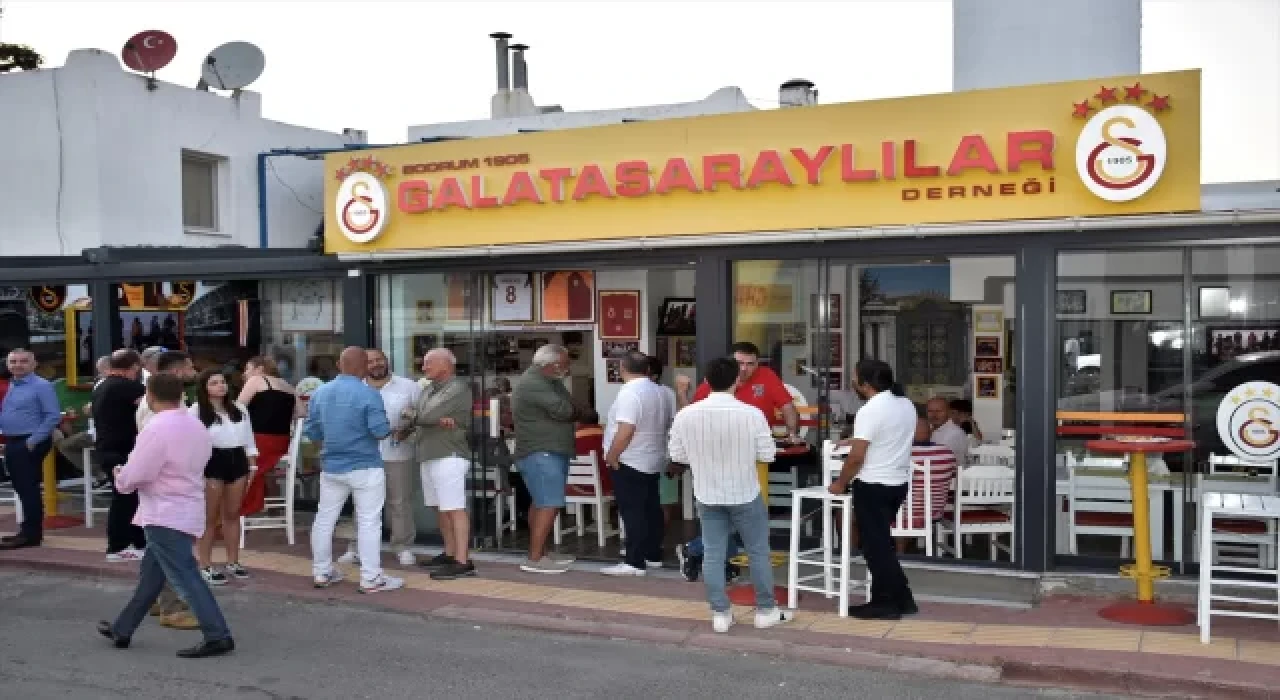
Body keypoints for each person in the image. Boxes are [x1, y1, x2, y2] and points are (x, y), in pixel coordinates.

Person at [97, 373, 235, 659]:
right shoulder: (194, 424)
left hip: (164, 512)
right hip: (186, 507)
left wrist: (120, 476)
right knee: (152, 576)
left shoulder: (156, 428)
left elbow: (138, 473)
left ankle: (217, 634)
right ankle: (123, 629)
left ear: (149, 395)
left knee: (185, 576)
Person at [668, 357, 790, 633]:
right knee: (758, 552)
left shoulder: (686, 415)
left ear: (707, 382)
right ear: (737, 380)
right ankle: (766, 611)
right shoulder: (752, 414)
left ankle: (720, 614)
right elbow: (767, 454)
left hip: (708, 494)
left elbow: (677, 455)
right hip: (745, 493)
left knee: (713, 554)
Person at [675, 341, 798, 581]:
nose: (744, 369)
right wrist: (681, 394)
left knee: (738, 513)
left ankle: (703, 554)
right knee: (735, 513)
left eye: (750, 364)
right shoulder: (717, 381)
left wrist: (792, 433)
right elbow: (690, 413)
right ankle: (710, 557)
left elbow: (787, 407)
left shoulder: (767, 377)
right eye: (739, 363)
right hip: (718, 458)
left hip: (751, 459)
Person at [305, 346, 402, 593]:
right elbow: (380, 431)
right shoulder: (368, 394)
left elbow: (312, 431)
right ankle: (371, 578)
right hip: (365, 466)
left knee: (324, 519)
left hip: (332, 466)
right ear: (364, 368)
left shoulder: (320, 393)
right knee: (369, 522)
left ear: (340, 365)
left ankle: (321, 572)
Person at [828, 359, 918, 620]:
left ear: (865, 385)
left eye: (855, 378)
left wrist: (840, 483)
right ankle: (901, 598)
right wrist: (856, 438)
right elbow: (888, 436)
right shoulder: (905, 404)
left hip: (873, 485)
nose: (853, 383)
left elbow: (856, 458)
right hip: (897, 482)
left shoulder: (871, 410)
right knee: (881, 545)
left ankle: (887, 603)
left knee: (875, 548)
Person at [339, 349, 421, 567]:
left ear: (386, 361)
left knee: (400, 503)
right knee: (362, 504)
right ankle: (355, 547)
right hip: (363, 455)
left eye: (380, 360)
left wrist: (408, 430)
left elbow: (421, 417)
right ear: (363, 365)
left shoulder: (408, 386)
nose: (376, 364)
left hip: (398, 453)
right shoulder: (355, 388)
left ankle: (402, 547)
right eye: (371, 361)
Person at [512, 344, 582, 574]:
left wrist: (572, 408)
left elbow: (569, 405)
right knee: (548, 503)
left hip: (547, 450)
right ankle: (534, 558)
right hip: (541, 451)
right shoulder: (534, 383)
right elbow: (565, 410)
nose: (568, 368)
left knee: (541, 502)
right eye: (565, 364)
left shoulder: (549, 382)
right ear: (552, 365)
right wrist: (574, 410)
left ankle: (541, 552)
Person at [601, 351, 673, 576]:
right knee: (651, 509)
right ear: (648, 370)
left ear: (622, 368)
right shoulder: (659, 392)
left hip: (631, 459)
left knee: (632, 511)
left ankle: (634, 561)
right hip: (653, 458)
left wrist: (612, 455)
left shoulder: (630, 393)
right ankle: (652, 555)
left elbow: (626, 430)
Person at [406, 348, 474, 580]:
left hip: (449, 454)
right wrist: (423, 417)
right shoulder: (429, 389)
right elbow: (420, 414)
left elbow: (422, 415)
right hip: (429, 453)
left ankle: (463, 561)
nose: (423, 368)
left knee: (454, 507)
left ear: (445, 365)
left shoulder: (458, 388)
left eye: (428, 363)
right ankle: (450, 552)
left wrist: (419, 417)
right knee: (439, 507)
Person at [190, 369, 257, 585]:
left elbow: (249, 440)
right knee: (209, 517)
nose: (221, 386)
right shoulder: (196, 412)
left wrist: (252, 464)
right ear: (204, 388)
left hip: (237, 458)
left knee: (233, 512)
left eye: (223, 382)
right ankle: (205, 564)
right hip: (211, 460)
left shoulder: (239, 409)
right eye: (214, 383)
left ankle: (233, 561)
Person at [0, 349, 62, 550]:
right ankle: (27, 531)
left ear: (34, 364)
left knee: (27, 488)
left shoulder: (41, 386)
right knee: (21, 487)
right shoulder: (13, 384)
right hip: (14, 440)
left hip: (29, 441)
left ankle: (31, 535)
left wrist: (33, 441)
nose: (18, 365)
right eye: (13, 361)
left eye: (23, 361)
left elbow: (52, 415)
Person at [94, 350, 148, 562]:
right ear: (135, 367)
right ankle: (118, 547)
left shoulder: (103, 385)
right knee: (125, 500)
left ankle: (136, 542)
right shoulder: (127, 387)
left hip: (109, 448)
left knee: (129, 498)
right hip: (121, 450)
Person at [237, 356, 299, 518]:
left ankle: (236, 512)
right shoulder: (288, 385)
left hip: (259, 442)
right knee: (264, 468)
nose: (244, 374)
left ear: (260, 369)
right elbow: (302, 413)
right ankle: (272, 509)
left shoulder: (256, 380)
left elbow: (238, 408)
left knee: (230, 461)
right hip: (280, 443)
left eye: (247, 369)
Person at [905, 411, 958, 554]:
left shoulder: (899, 454)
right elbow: (953, 476)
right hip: (933, 513)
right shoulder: (946, 453)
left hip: (900, 514)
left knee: (853, 513)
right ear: (931, 432)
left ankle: (855, 555)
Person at [648, 355, 681, 529]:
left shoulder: (667, 394)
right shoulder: (668, 393)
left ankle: (657, 542)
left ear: (653, 375)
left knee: (663, 503)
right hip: (652, 454)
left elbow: (676, 423)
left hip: (664, 454)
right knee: (659, 502)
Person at [573, 408, 610, 496]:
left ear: (578, 422)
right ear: (597, 420)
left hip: (579, 486)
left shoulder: (571, 439)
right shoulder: (608, 436)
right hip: (606, 485)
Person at [926, 397, 969, 464]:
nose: (934, 415)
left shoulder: (954, 433)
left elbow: (938, 460)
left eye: (938, 411)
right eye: (930, 411)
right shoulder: (927, 429)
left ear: (948, 412)